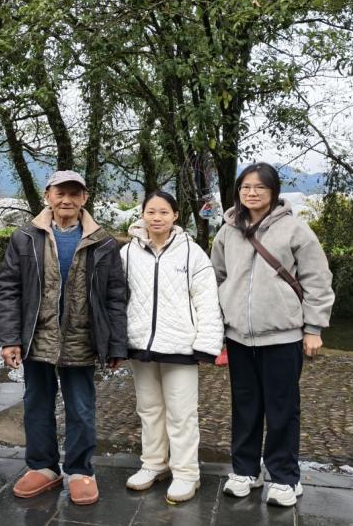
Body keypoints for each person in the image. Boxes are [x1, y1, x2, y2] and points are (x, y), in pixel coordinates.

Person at [0, 170, 128, 506]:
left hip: (82, 338)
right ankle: (42, 466)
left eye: (74, 193)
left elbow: (115, 295)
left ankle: (80, 469)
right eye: (60, 193)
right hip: (37, 336)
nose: (66, 200)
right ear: (48, 196)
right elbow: (9, 289)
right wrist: (9, 338)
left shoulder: (103, 241)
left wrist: (116, 344)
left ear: (84, 198)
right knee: (36, 404)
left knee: (81, 407)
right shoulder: (25, 237)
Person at [211, 163, 334, 507]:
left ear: (273, 192)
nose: (251, 193)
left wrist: (313, 328)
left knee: (282, 409)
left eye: (259, 187)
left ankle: (284, 478)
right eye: (246, 187)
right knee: (245, 407)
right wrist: (219, 326)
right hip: (239, 336)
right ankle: (245, 471)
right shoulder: (227, 232)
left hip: (283, 336)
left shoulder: (295, 230)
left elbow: (317, 280)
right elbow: (216, 278)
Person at [121, 191, 223, 503]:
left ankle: (186, 473)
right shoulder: (127, 253)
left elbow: (207, 300)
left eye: (164, 212)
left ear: (175, 215)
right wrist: (116, 340)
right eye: (151, 211)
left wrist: (206, 345)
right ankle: (154, 464)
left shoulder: (192, 253)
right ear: (142, 214)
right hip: (141, 343)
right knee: (149, 409)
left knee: (182, 413)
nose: (157, 218)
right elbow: (116, 297)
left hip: (181, 345)